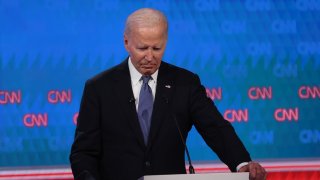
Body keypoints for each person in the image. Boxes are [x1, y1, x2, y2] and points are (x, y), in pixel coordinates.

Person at [70, 8, 266, 180]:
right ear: (126, 42)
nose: (149, 56)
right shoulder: (99, 88)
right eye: (142, 48)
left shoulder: (185, 84)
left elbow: (215, 128)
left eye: (157, 48)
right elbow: (84, 153)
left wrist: (242, 163)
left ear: (166, 42)